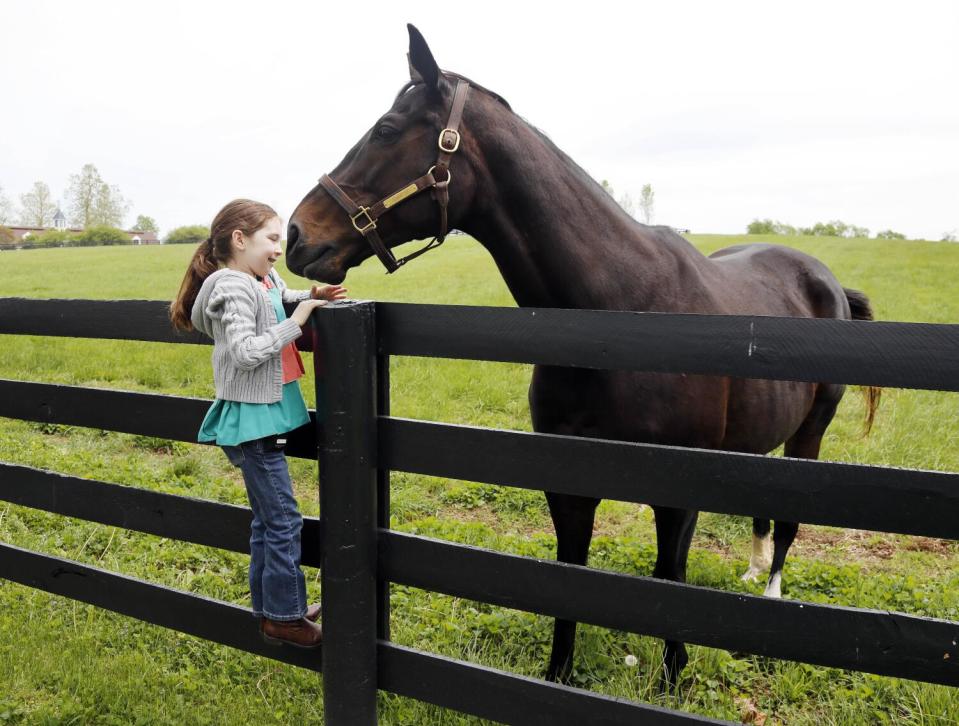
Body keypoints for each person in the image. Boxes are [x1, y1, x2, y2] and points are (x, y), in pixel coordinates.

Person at [170, 199, 346, 648]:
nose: (277, 249)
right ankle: (283, 616)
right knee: (284, 521)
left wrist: (310, 296)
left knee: (268, 523)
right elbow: (245, 351)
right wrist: (300, 322)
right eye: (271, 239)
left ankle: (272, 607)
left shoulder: (260, 277)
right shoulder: (230, 286)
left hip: (263, 417)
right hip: (252, 423)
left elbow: (276, 297)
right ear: (239, 239)